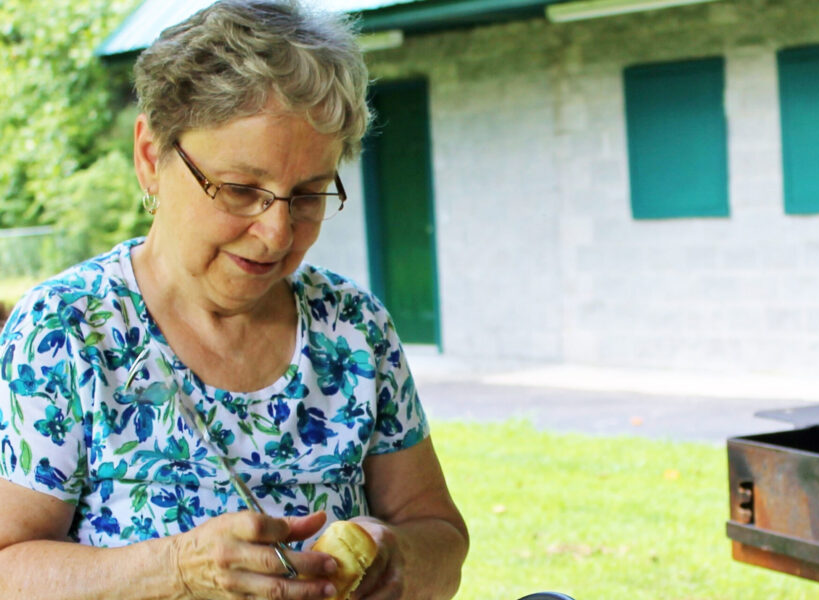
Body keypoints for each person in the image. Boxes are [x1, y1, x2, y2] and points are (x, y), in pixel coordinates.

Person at [0, 1, 468, 598]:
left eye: (307, 194)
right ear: (151, 157)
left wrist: (398, 558)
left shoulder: (354, 328)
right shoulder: (66, 330)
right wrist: (177, 570)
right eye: (242, 190)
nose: (276, 233)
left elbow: (442, 536)